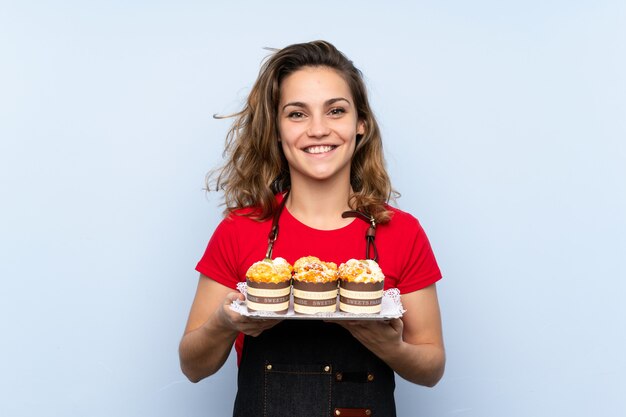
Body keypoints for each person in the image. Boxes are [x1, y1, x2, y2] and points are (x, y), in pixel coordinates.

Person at [179, 40, 445, 417]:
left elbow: (432, 368)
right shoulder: (240, 229)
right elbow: (193, 367)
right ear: (275, 129)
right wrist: (223, 323)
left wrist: (387, 345)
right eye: (297, 114)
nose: (318, 130)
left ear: (361, 125)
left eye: (336, 111)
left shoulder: (402, 231)